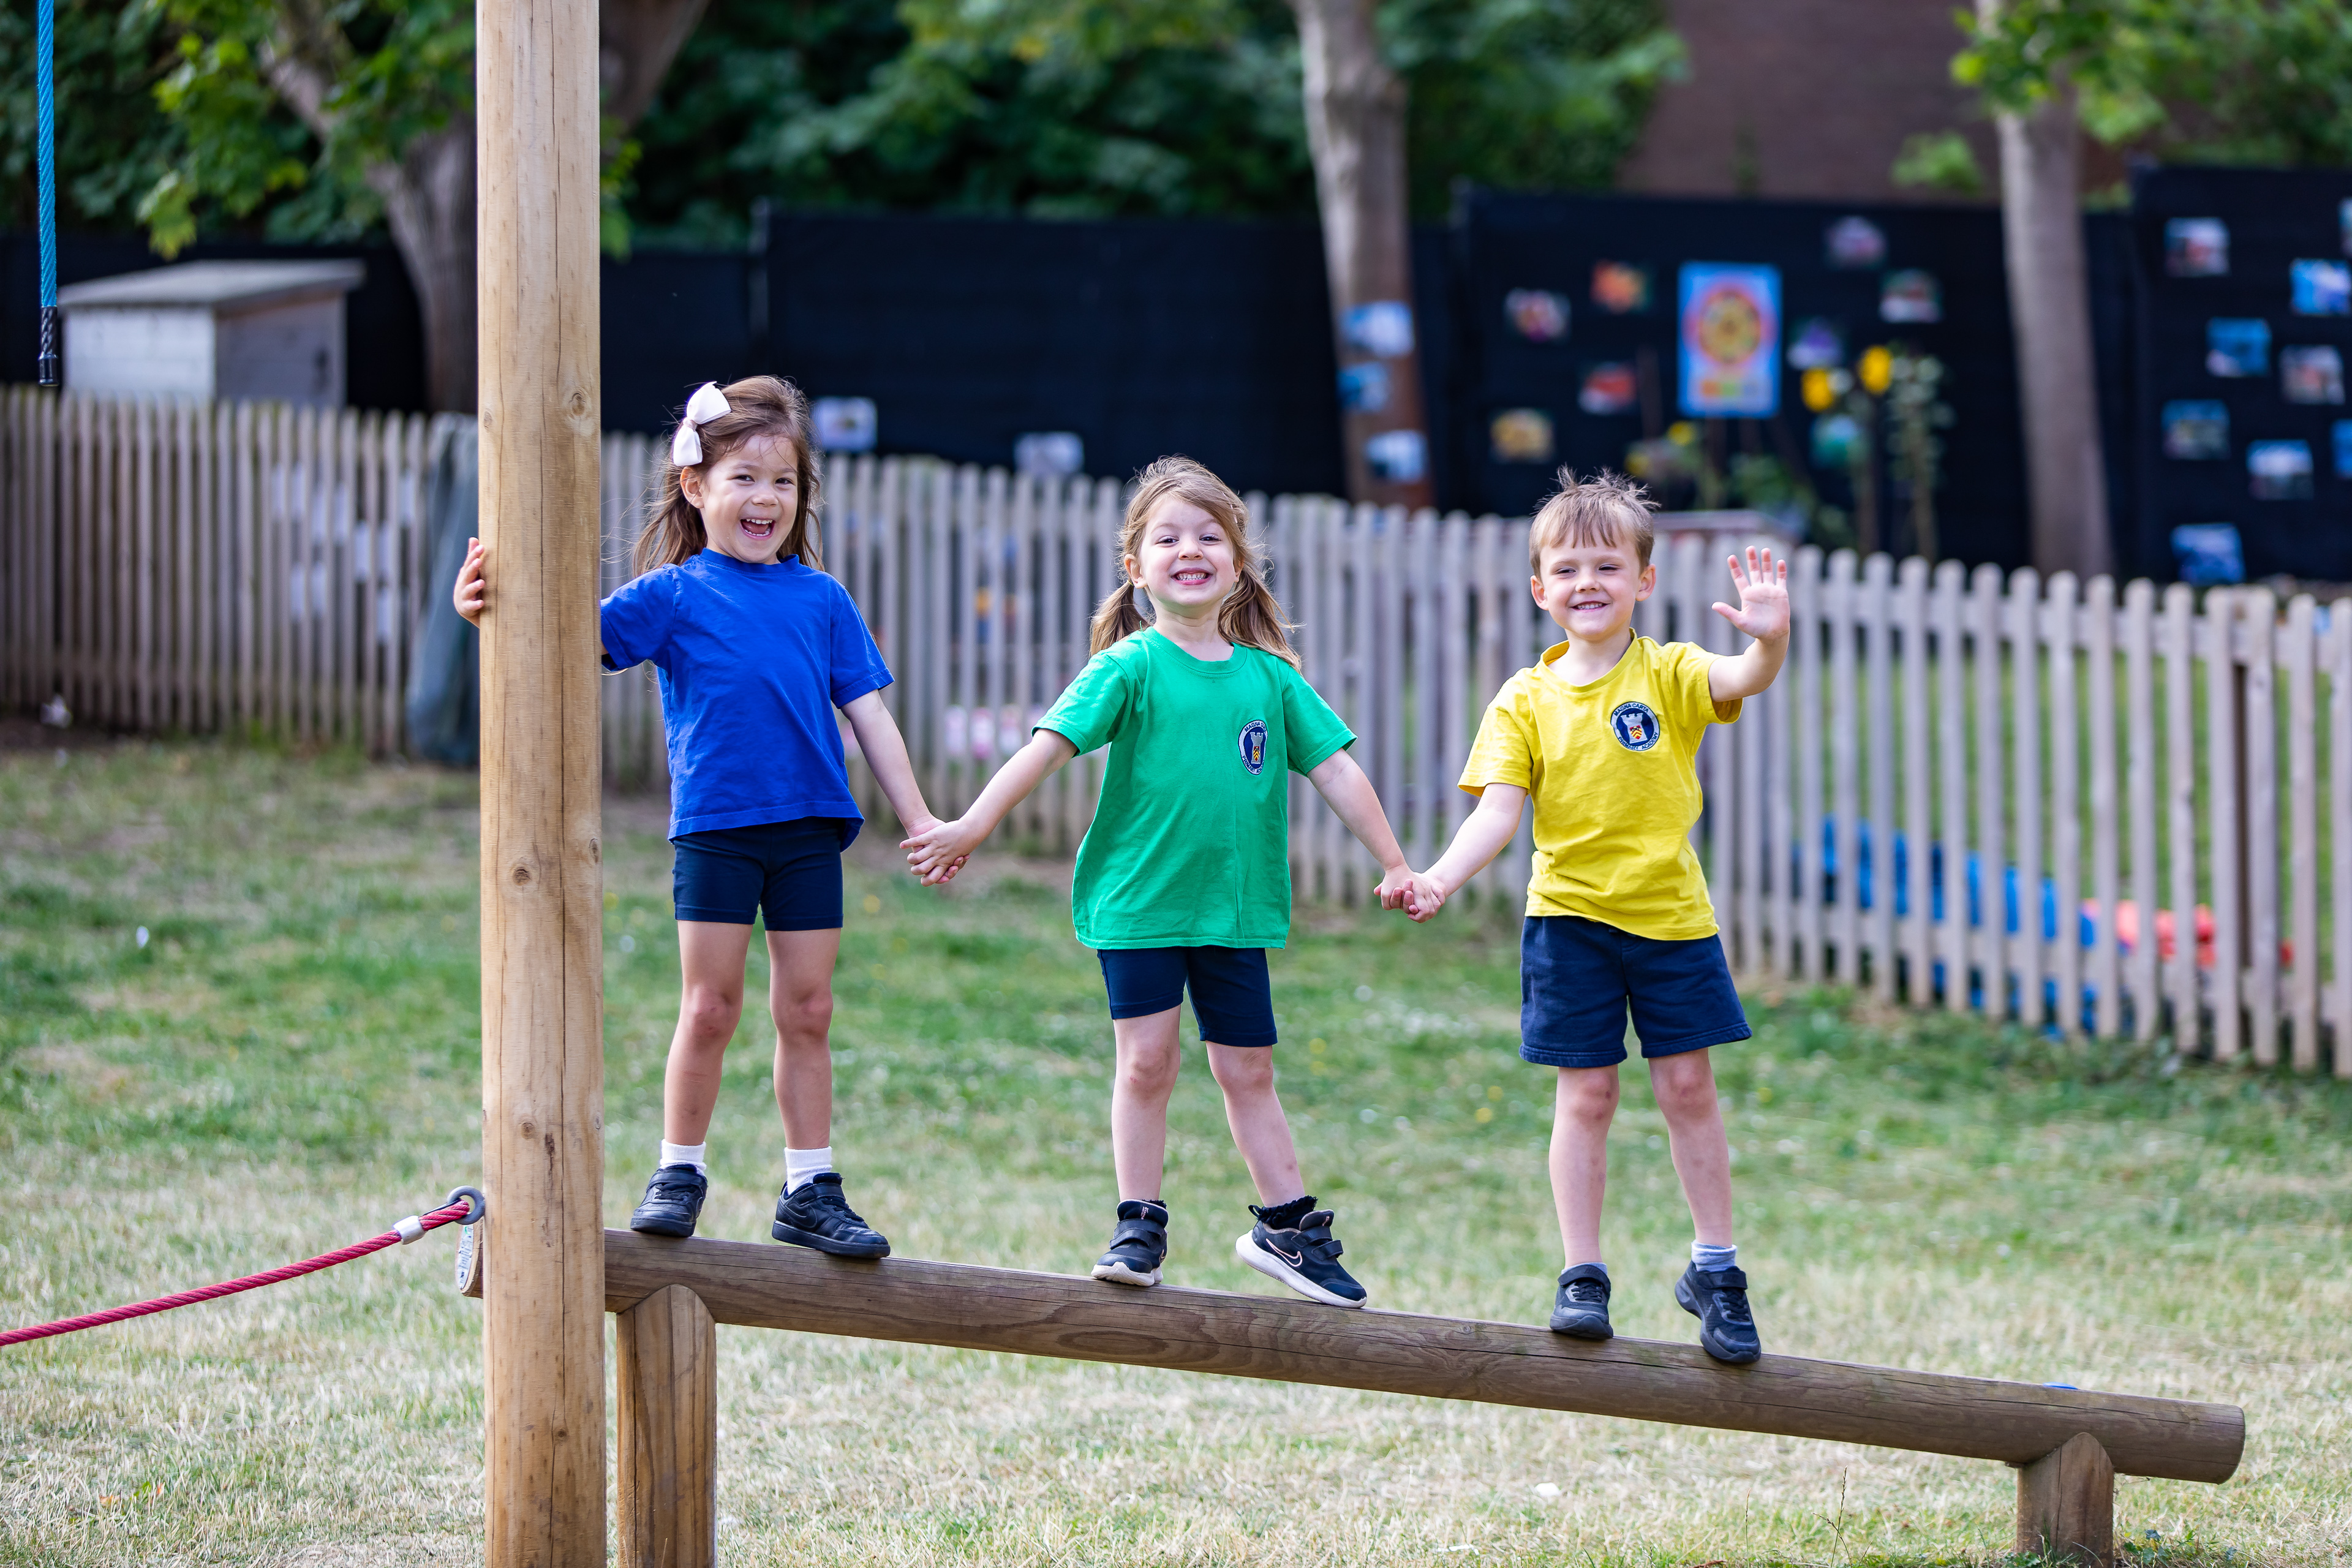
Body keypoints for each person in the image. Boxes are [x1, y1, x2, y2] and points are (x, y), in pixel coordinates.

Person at [904, 457, 1436, 1307]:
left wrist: (1397, 862)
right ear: (1136, 566)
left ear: (1238, 561)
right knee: (1147, 1062)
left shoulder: (1272, 678)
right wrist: (972, 824)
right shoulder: (1129, 668)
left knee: (1247, 1068)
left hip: (1233, 910)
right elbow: (1044, 746)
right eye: (1168, 538)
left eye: (1209, 536)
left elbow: (1338, 772)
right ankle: (1138, 1222)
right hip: (1139, 903)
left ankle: (1288, 1229)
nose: (1190, 550)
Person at [453, 376, 938, 1255]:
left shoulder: (823, 601)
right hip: (715, 832)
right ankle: (679, 1169)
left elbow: (871, 716)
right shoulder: (674, 595)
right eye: (744, 478)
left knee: (810, 1008)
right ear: (695, 487)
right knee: (709, 1007)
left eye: (784, 482)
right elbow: (566, 639)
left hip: (807, 835)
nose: (766, 499)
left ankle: (810, 1189)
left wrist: (922, 821)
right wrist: (487, 612)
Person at [1408, 470, 1788, 1363]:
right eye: (1569, 569)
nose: (1590, 583)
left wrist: (1771, 642)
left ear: (1643, 582)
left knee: (1688, 1089)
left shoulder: (1673, 671)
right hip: (1570, 925)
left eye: (1608, 567)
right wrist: (1439, 879)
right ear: (1541, 589)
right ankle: (1583, 1274)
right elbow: (1497, 814)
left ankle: (1717, 1270)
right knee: (1588, 1094)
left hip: (1673, 922)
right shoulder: (1524, 700)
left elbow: (1746, 673)